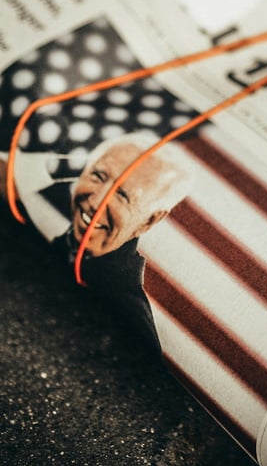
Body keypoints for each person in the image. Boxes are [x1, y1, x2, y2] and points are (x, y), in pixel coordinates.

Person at [52, 132, 193, 345]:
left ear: (149, 221)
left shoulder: (131, 325)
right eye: (98, 176)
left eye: (123, 195)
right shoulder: (53, 242)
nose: (96, 202)